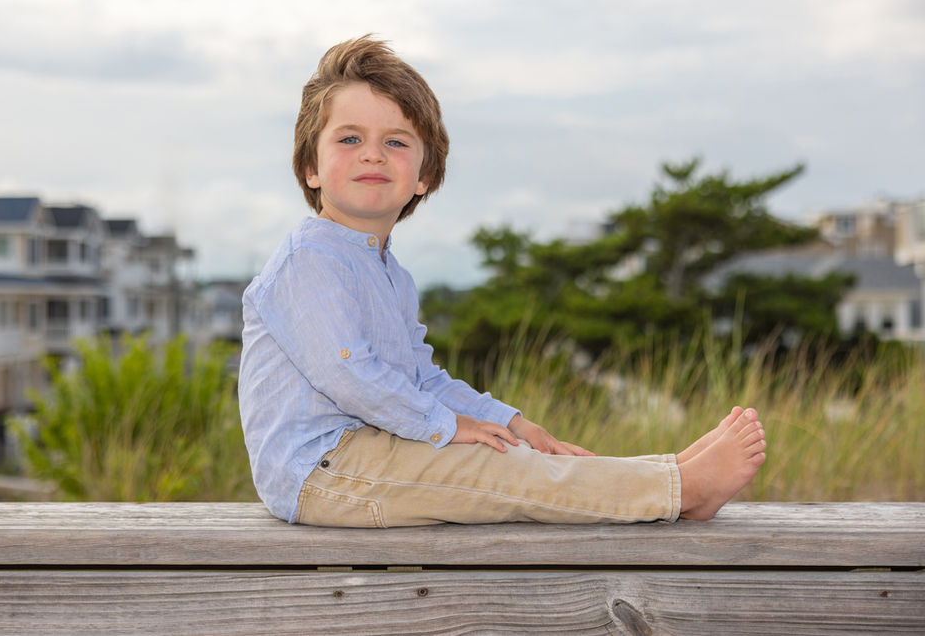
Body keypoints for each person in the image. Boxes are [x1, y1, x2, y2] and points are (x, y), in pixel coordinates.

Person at [238, 35, 767, 527]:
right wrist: (450, 427)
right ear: (311, 167)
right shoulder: (308, 259)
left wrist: (509, 423)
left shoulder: (387, 272)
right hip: (322, 471)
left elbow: (421, 380)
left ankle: (667, 473)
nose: (373, 153)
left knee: (507, 453)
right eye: (350, 138)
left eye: (396, 142)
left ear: (424, 176)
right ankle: (678, 489)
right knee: (494, 471)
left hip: (365, 452)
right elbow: (351, 378)